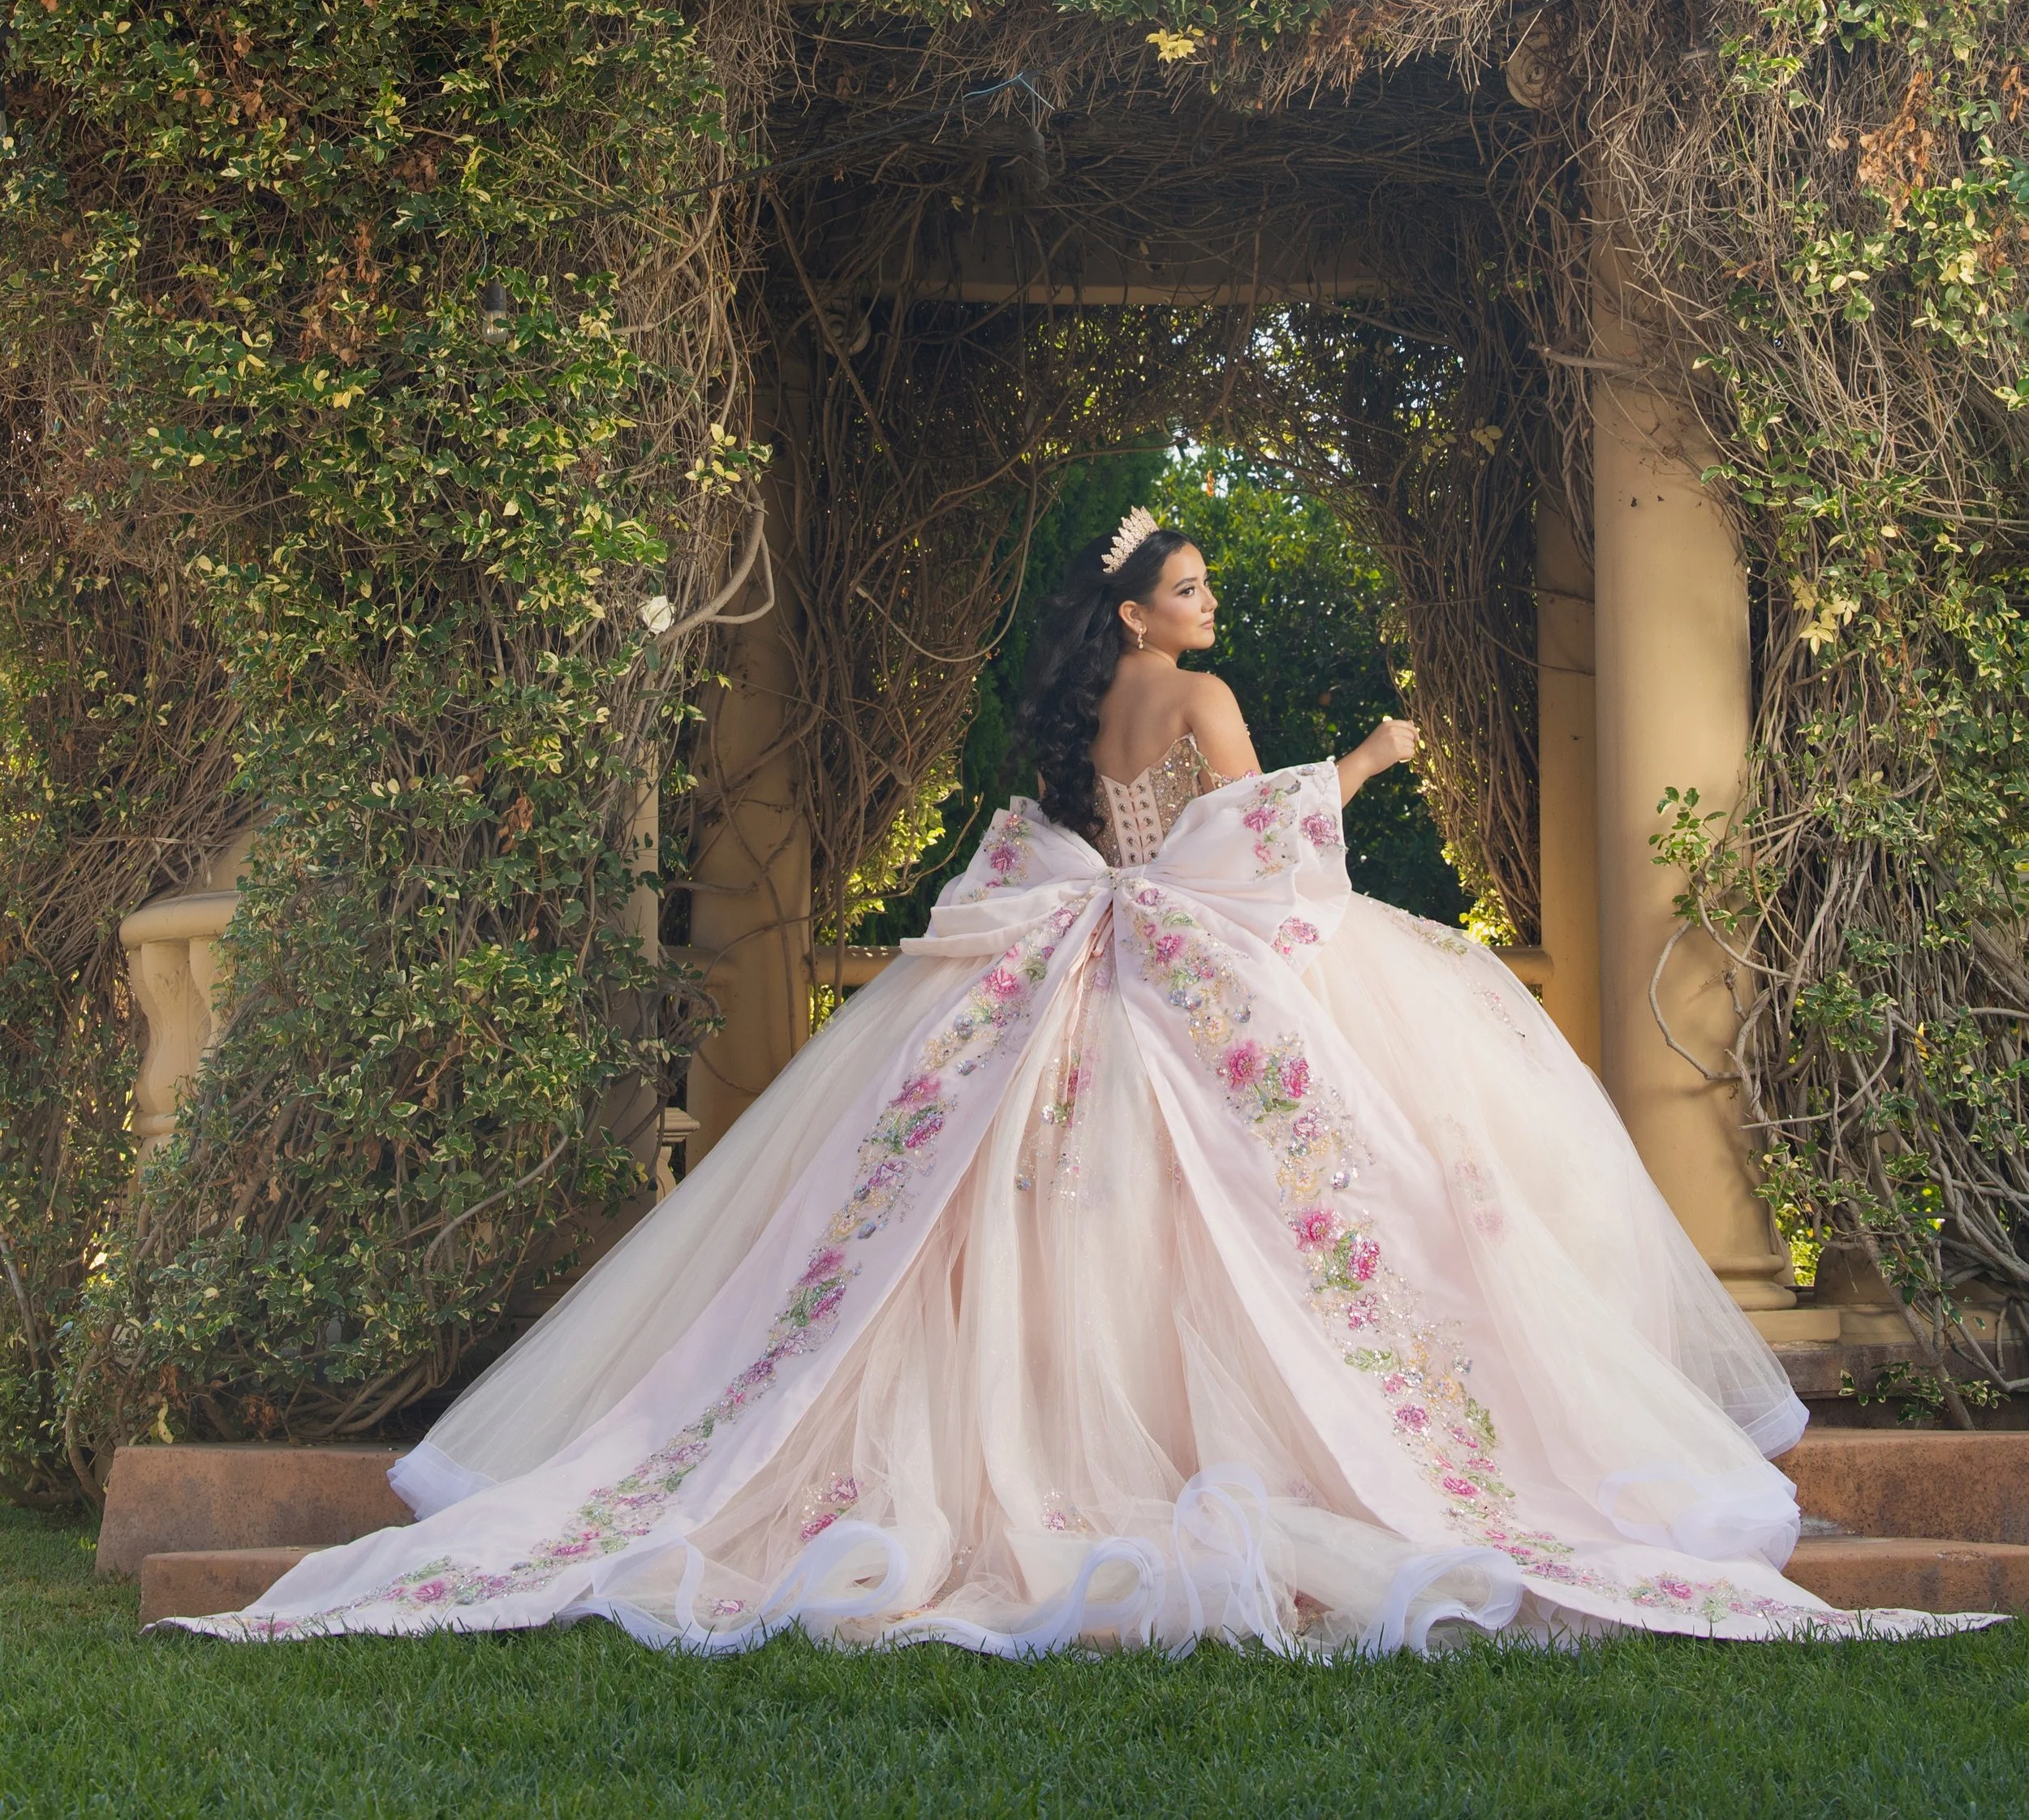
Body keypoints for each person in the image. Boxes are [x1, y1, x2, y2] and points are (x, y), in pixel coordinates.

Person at [181, 512, 1975, 1654]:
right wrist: (1373, 750)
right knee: (1273, 1214)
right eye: (1184, 587)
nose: (1205, 605)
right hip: (1164, 979)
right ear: (1133, 616)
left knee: (1053, 1222)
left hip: (1075, 986)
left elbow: (1091, 852)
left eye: (1197, 589)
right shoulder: (1197, 703)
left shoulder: (1078, 727)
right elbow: (1263, 849)